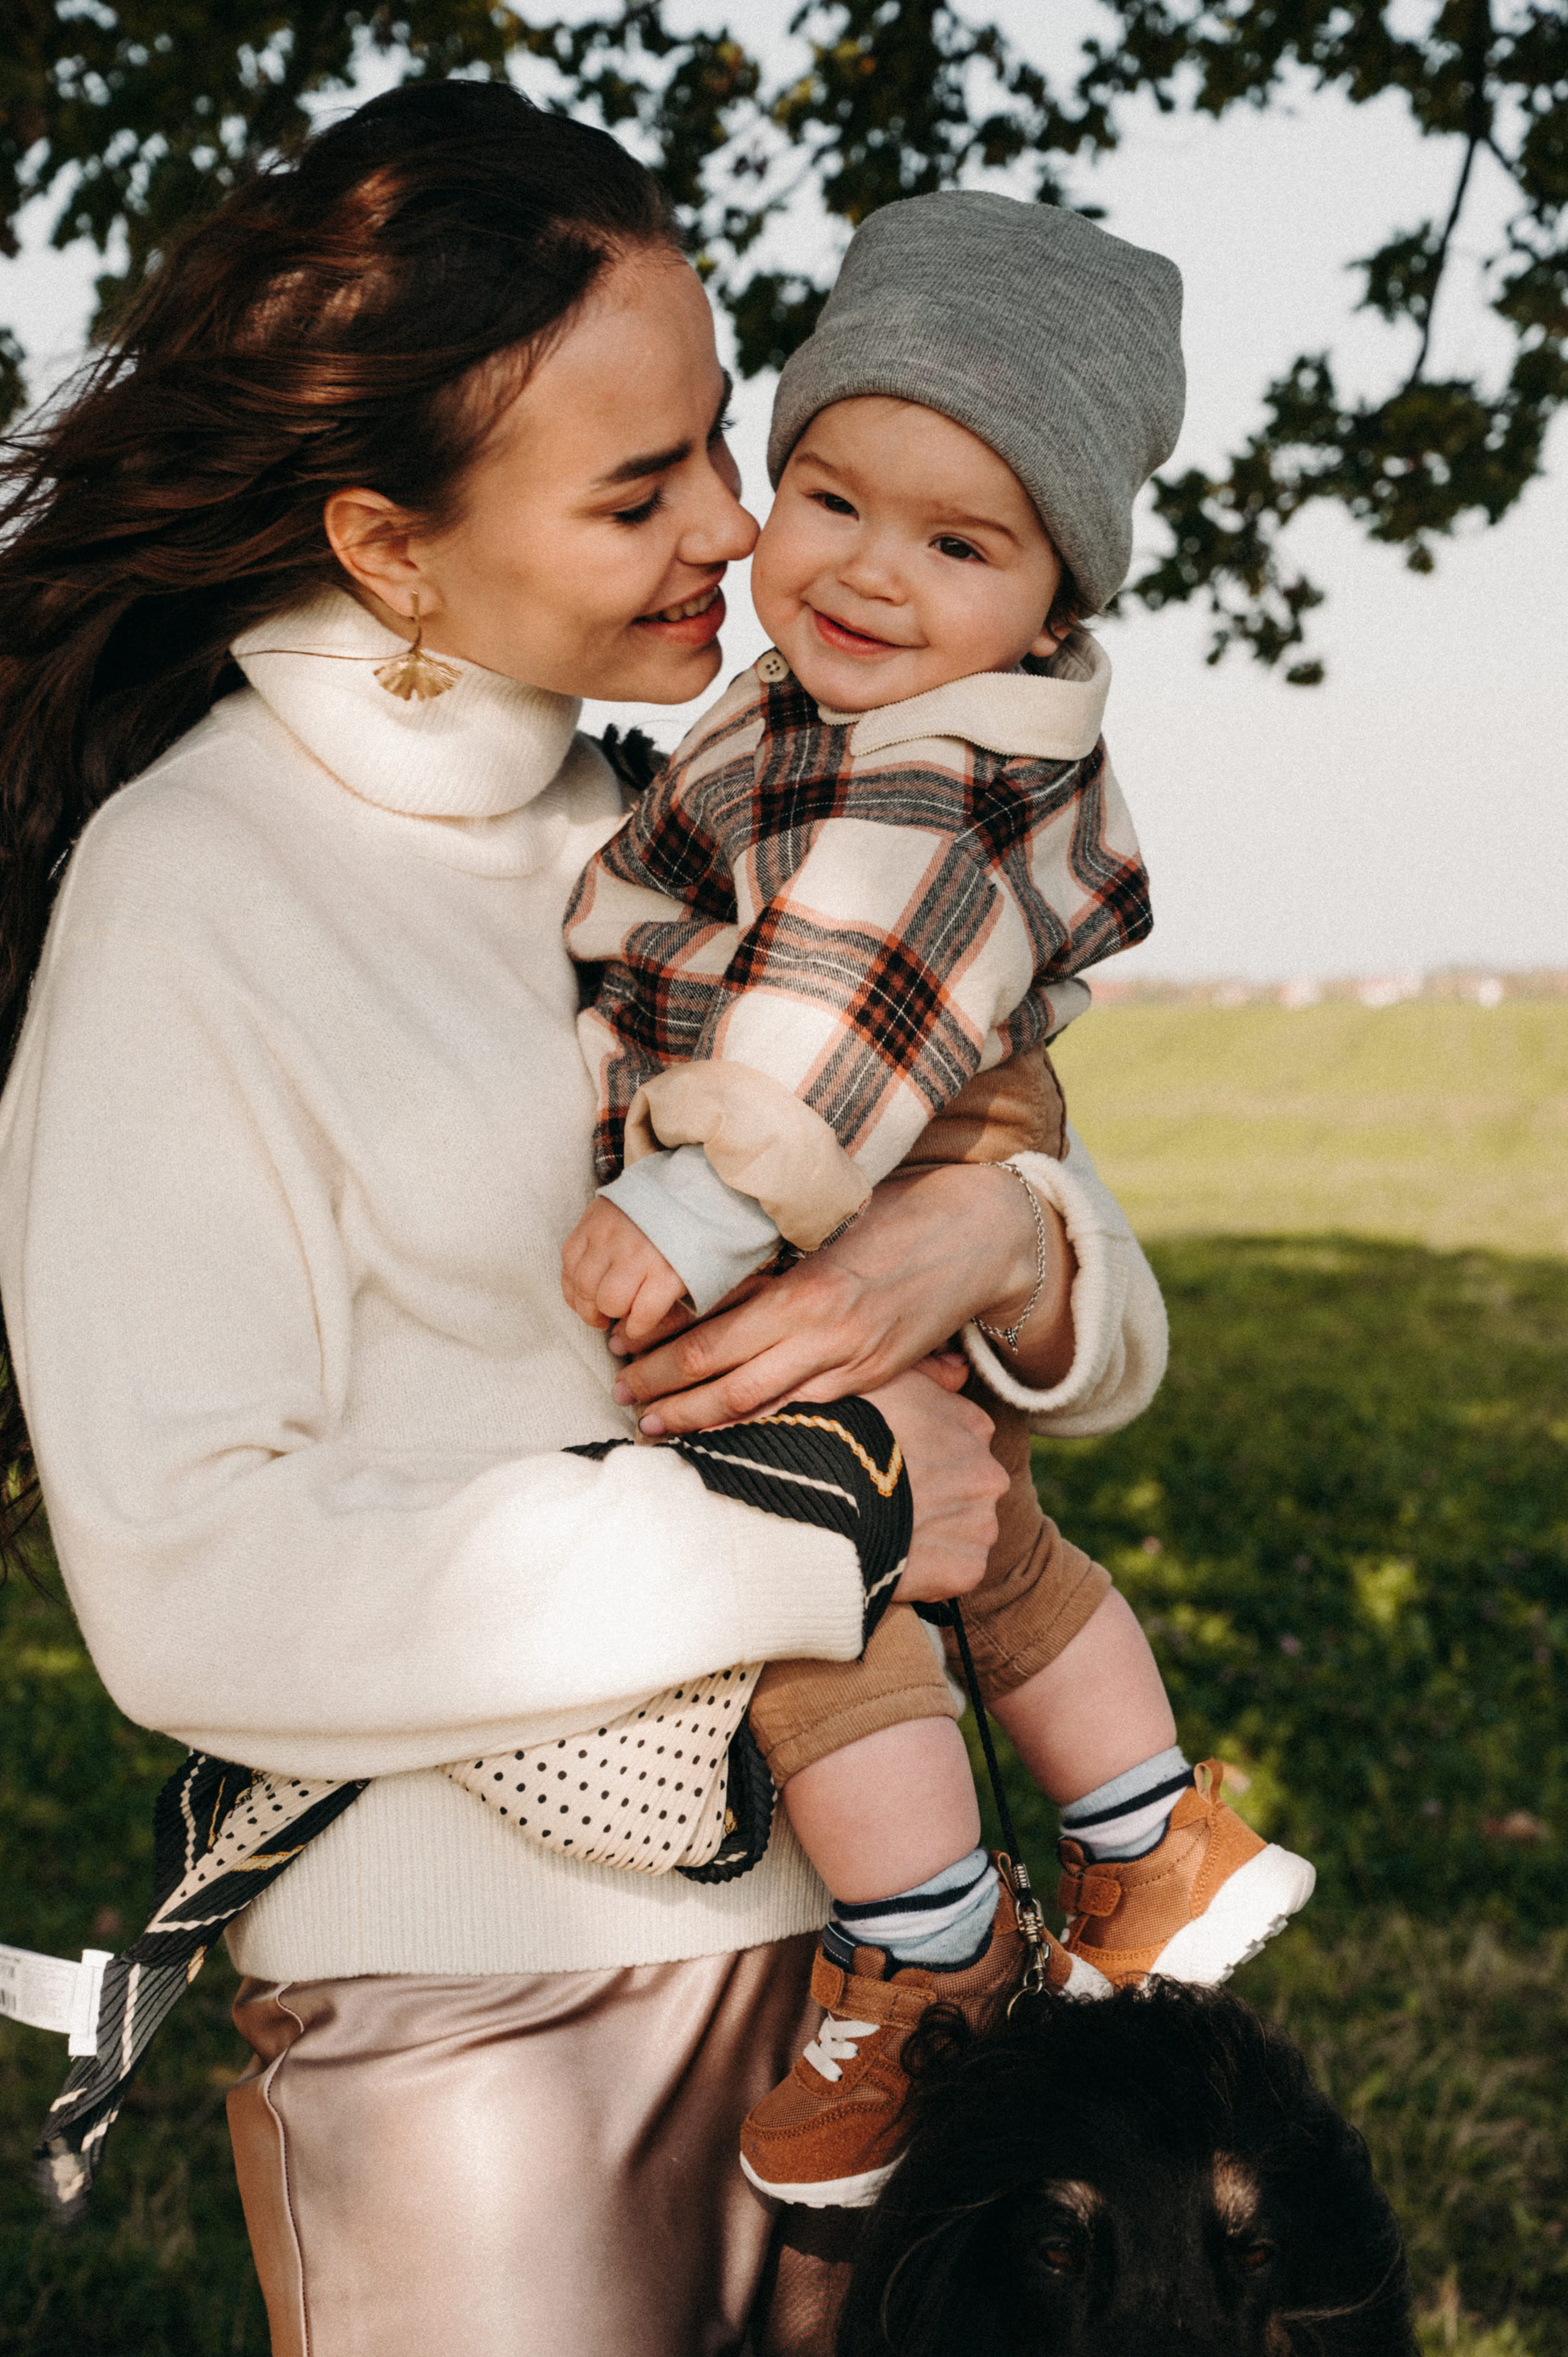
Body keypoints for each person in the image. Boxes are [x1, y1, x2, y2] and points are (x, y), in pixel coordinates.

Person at [0, 81, 1161, 2357]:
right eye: (643, 491)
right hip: (472, 2026)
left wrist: (1006, 1249)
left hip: (859, 1976)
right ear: (393, 546)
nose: (743, 526)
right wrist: (808, 1529)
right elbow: (190, 1577)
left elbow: (1091, 1325)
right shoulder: (199, 893)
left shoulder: (702, 826)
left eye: (724, 443)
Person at [559, 192, 1314, 2211]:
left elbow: (831, 1020)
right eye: (829, 494)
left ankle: (923, 1950)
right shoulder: (834, 721)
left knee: (798, 1547)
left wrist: (701, 1223)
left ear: (1057, 595)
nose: (866, 571)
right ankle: (1149, 1833)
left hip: (817, 1150)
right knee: (973, 1539)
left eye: (957, 542)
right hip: (880, 1147)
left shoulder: (914, 775)